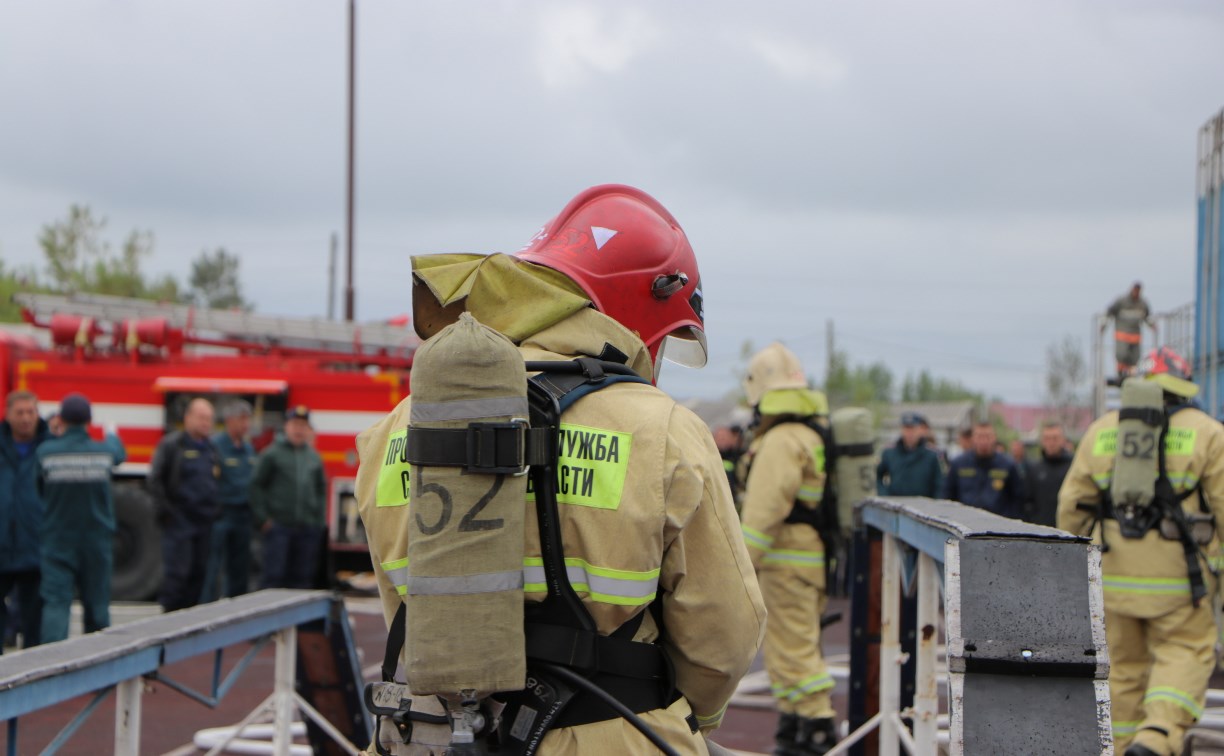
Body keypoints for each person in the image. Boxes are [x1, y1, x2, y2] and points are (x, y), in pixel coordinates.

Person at [354, 184, 765, 755]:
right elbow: (724, 630)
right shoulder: (663, 430)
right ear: (641, 307)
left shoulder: (399, 425)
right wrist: (680, 717)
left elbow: (406, 604)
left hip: (429, 737)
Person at [1057, 348, 1224, 755]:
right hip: (1181, 584)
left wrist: (1070, 572)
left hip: (1113, 581)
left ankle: (1121, 746)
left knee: (1124, 671)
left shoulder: (1101, 432)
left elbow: (1070, 507)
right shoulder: (1208, 433)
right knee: (1185, 653)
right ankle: (1157, 738)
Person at [737, 342, 839, 756]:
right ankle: (796, 727)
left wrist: (738, 568)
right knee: (788, 651)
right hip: (802, 562)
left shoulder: (781, 440)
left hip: (787, 565)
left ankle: (815, 729)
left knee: (794, 653)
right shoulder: (808, 432)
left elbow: (762, 512)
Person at [36, 393, 125, 642]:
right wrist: (111, 433)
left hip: (57, 541)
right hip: (96, 542)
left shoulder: (46, 453)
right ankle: (97, 673)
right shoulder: (104, 452)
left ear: (61, 419)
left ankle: (50, 669)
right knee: (97, 608)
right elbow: (119, 453)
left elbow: (37, 489)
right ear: (89, 421)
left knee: (55, 606)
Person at [148, 397, 220, 613]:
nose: (205, 423)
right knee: (177, 576)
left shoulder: (212, 449)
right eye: (201, 417)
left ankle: (188, 629)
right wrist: (166, 512)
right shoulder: (172, 445)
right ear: (187, 418)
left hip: (204, 523)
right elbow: (155, 480)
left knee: (198, 575)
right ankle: (168, 627)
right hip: (179, 520)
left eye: (209, 419)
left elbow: (218, 480)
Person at [250, 405, 326, 589]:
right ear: (286, 426)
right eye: (295, 424)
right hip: (278, 529)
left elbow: (320, 490)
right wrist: (263, 519)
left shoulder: (313, 458)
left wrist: (317, 523)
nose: (299, 429)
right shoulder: (272, 454)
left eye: (303, 425)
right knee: (273, 578)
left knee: (302, 580)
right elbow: (256, 485)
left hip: (306, 531)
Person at [0, 391, 50, 651]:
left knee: (34, 625)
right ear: (7, 415)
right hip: (2, 546)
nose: (25, 418)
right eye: (19, 413)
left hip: (36, 548)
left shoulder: (50, 449)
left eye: (30, 412)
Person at [201, 400, 257, 601]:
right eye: (242, 419)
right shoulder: (215, 446)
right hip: (222, 514)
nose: (246, 425)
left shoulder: (248, 449)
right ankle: (207, 609)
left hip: (243, 515)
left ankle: (236, 612)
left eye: (247, 420)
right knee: (214, 567)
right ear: (229, 420)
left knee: (240, 568)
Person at [944, 421, 1024, 518]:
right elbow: (947, 496)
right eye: (979, 436)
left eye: (988, 436)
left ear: (994, 438)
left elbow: (1018, 500)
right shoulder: (959, 464)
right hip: (966, 523)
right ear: (973, 438)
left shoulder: (1007, 465)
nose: (984, 441)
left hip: (998, 525)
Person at [876, 411, 944, 498]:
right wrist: (884, 495)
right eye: (906, 428)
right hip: (897, 503)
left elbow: (939, 484)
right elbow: (877, 477)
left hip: (923, 505)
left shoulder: (932, 455)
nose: (910, 433)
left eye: (913, 429)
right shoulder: (889, 453)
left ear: (920, 429)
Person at [1020, 421, 1073, 528]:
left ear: (1063, 440)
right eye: (1047, 439)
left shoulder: (1073, 467)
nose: (1051, 443)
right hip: (1041, 532)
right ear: (1042, 441)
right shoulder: (1034, 469)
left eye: (1055, 438)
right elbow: (1026, 502)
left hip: (1068, 530)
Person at [1104, 281, 1155, 380]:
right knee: (1122, 356)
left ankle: (1131, 376)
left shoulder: (1142, 303)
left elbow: (1147, 317)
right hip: (1122, 335)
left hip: (1135, 337)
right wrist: (1104, 323)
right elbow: (1110, 311)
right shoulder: (1121, 301)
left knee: (1134, 359)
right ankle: (1120, 375)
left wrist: (1152, 325)